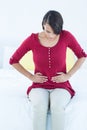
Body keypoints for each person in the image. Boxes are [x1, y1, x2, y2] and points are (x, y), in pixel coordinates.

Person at [9, 10, 87, 130]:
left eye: (52, 32)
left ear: (59, 29)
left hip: (61, 86)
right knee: (40, 106)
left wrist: (68, 75)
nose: (48, 35)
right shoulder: (32, 39)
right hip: (39, 86)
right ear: (43, 25)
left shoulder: (66, 36)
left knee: (57, 107)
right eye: (46, 30)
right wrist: (31, 77)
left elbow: (82, 56)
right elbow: (13, 60)